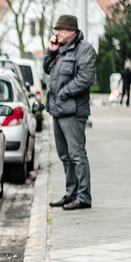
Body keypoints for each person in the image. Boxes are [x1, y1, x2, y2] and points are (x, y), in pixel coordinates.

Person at [43, 15, 96, 210]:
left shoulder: (85, 50)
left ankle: (84, 197)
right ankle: (70, 193)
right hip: (58, 110)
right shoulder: (61, 50)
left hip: (73, 111)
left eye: (60, 30)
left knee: (77, 154)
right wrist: (51, 51)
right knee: (65, 155)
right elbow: (47, 69)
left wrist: (63, 93)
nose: (56, 33)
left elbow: (85, 78)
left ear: (71, 31)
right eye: (56, 29)